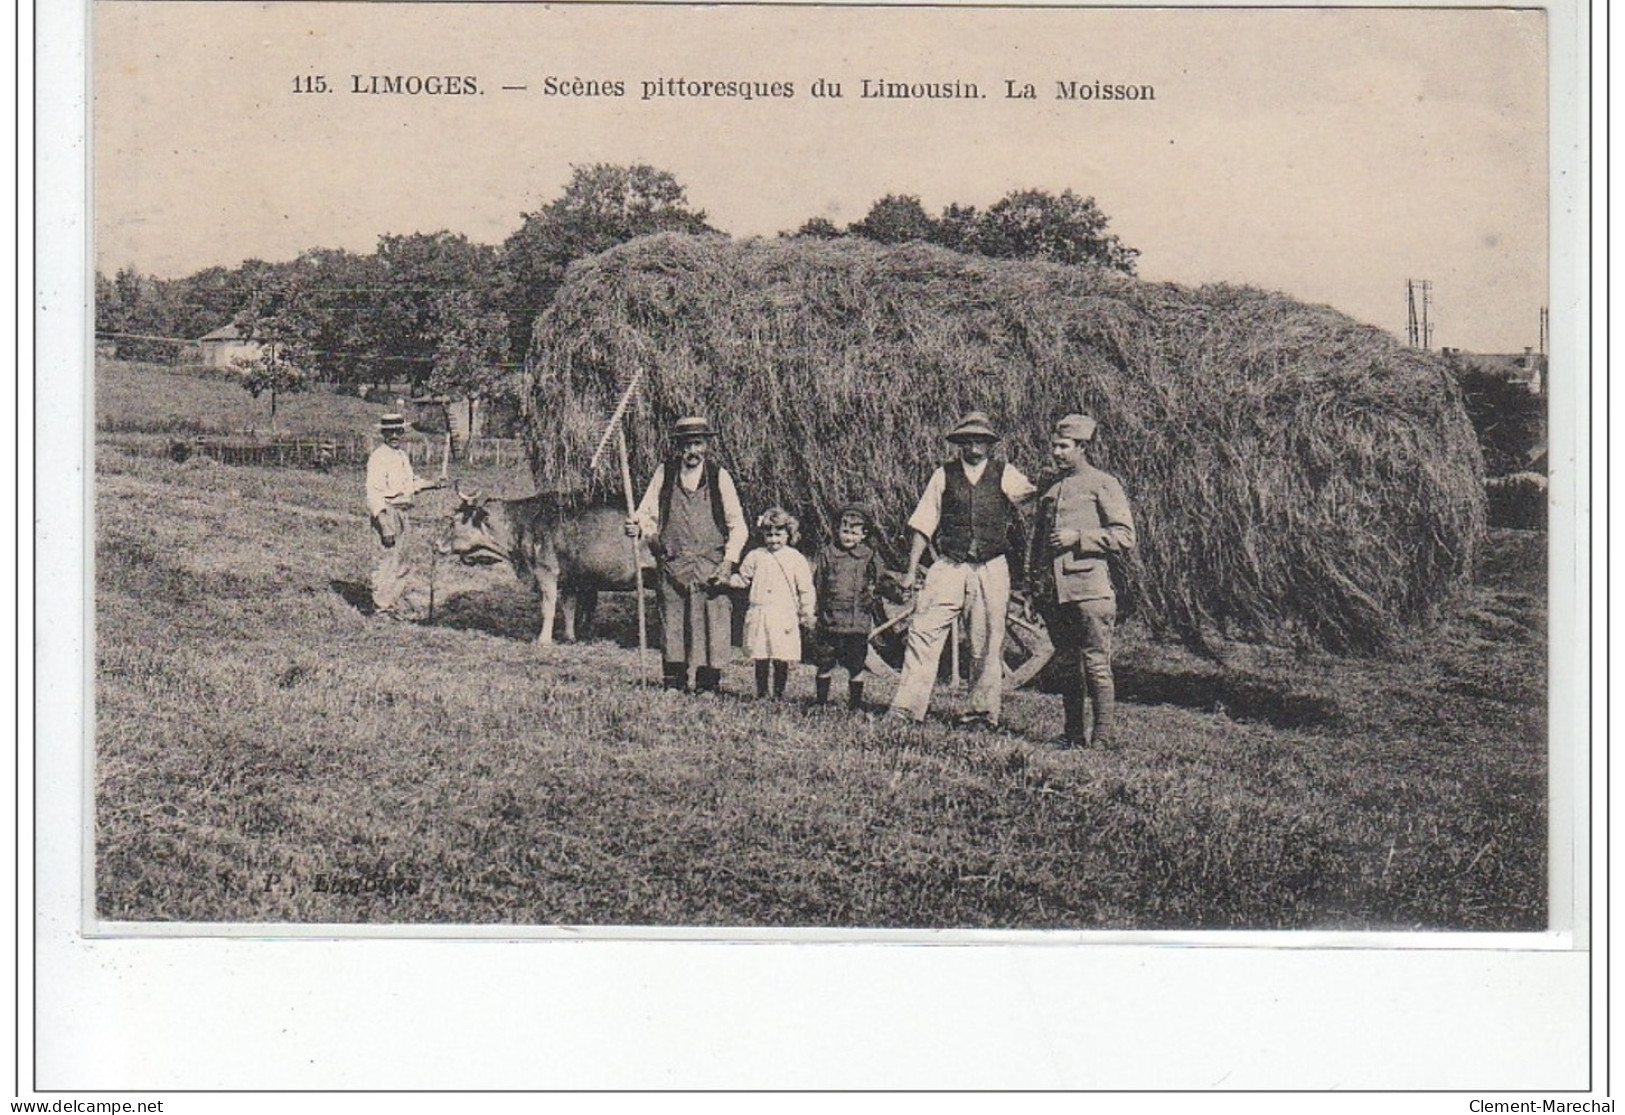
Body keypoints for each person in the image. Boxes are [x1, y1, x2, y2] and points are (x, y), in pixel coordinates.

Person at [888, 411, 1036, 728]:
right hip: (949, 564)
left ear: (989, 444)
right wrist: (912, 570)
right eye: (967, 440)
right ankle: (907, 709)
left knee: (986, 641)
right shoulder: (944, 475)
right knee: (924, 632)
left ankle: (981, 713)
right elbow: (924, 522)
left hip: (991, 566)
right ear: (959, 444)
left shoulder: (1004, 473)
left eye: (980, 439)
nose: (973, 446)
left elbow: (1030, 498)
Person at [1028, 413, 1136, 747]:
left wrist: (1080, 537)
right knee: (1065, 664)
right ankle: (1073, 733)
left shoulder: (1103, 483)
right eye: (1055, 446)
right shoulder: (1051, 486)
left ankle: (1103, 735)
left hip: (1090, 590)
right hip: (1055, 592)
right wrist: (1034, 584)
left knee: (1096, 663)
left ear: (1082, 447)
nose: (1057, 453)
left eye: (1064, 447)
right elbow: (1039, 541)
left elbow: (1124, 536)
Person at [626, 415, 749, 693]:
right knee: (673, 623)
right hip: (673, 564)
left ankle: (708, 686)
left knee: (712, 624)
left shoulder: (719, 476)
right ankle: (674, 683)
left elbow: (738, 526)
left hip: (710, 568)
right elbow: (646, 514)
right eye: (686, 445)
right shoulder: (665, 473)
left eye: (698, 444)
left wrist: (728, 563)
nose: (692, 451)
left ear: (706, 445)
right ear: (678, 447)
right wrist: (639, 528)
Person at [730, 507, 817, 700]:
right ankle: (761, 692)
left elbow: (805, 588)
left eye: (778, 535)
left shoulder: (795, 558)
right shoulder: (755, 555)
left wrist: (807, 610)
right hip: (760, 611)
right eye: (769, 535)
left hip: (783, 614)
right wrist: (728, 580)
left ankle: (779, 693)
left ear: (788, 534)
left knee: (780, 655)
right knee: (760, 655)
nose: (773, 540)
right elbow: (744, 578)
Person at [365, 412, 443, 620]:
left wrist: (432, 483)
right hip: (388, 511)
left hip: (403, 512)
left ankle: (391, 604)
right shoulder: (378, 457)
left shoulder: (401, 456)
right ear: (383, 433)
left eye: (397, 432)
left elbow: (411, 483)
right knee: (386, 561)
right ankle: (381, 609)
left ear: (402, 432)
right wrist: (384, 524)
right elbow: (374, 492)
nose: (394, 436)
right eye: (389, 432)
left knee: (401, 561)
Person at [811, 504, 885, 710]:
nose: (848, 537)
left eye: (854, 533)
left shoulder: (869, 556)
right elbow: (818, 583)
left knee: (856, 664)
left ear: (863, 534)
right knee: (824, 662)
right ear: (837, 530)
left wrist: (897, 591)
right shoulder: (827, 553)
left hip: (856, 622)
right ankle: (821, 702)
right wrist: (814, 609)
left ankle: (855, 704)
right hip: (830, 620)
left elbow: (882, 581)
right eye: (845, 531)